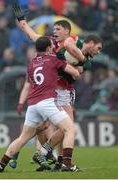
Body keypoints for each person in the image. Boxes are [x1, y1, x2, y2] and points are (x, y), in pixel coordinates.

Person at [10, 3, 103, 171]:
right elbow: (38, 37)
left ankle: (51, 157)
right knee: (66, 128)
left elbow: (79, 67)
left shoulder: (83, 56)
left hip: (63, 91)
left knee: (55, 128)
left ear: (66, 31)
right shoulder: (63, 42)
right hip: (56, 91)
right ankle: (53, 157)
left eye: (58, 29)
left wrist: (81, 62)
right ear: (92, 42)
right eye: (98, 48)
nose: (55, 31)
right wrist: (23, 23)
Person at [0, 36, 80, 173]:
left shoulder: (31, 64)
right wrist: (77, 67)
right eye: (51, 46)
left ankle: (1, 164)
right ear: (48, 48)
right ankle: (67, 164)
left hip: (33, 104)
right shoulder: (53, 60)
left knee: (23, 137)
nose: (53, 47)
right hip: (47, 101)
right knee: (69, 129)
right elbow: (74, 73)